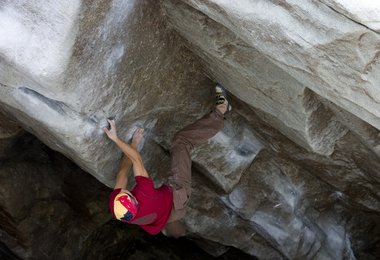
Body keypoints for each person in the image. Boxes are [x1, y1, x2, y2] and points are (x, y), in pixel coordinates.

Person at [104, 84, 231, 237]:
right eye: (129, 193)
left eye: (122, 192)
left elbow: (123, 173)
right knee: (182, 141)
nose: (124, 190)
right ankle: (222, 110)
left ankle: (175, 230)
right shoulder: (145, 195)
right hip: (177, 197)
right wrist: (115, 139)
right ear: (135, 202)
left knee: (169, 219)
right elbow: (136, 160)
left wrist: (134, 144)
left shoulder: (119, 208)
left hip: (166, 215)